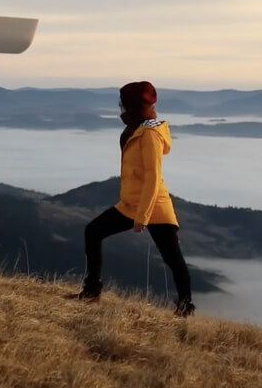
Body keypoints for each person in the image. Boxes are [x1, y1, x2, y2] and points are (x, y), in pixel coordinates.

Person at [72, 80, 195, 317]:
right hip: (131, 204)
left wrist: (143, 216)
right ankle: (91, 290)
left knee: (173, 259)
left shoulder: (149, 134)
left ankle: (185, 307)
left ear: (133, 106)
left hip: (153, 206)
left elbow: (152, 178)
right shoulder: (139, 127)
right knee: (93, 231)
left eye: (123, 104)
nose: (120, 108)